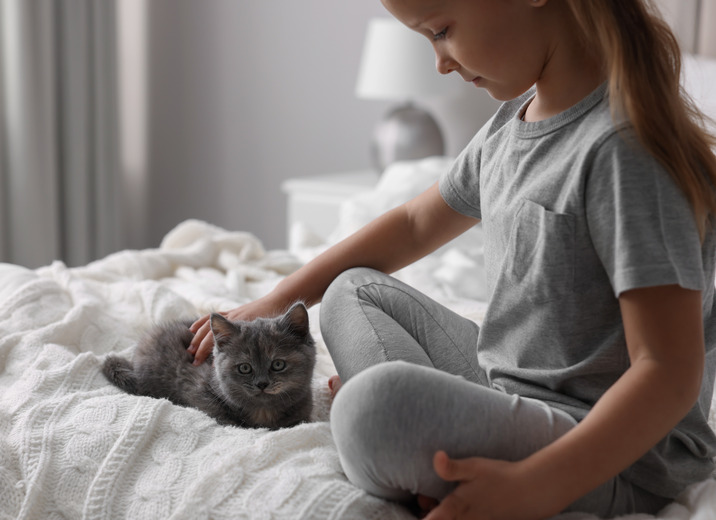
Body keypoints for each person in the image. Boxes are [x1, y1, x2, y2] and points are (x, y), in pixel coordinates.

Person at [188, 0, 716, 517]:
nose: (439, 62)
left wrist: (538, 486)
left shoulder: (626, 153)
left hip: (613, 449)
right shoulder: (511, 123)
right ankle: (426, 421)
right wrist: (278, 298)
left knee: (371, 410)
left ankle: (409, 420)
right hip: (507, 388)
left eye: (440, 30)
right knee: (350, 290)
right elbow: (414, 224)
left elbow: (668, 372)